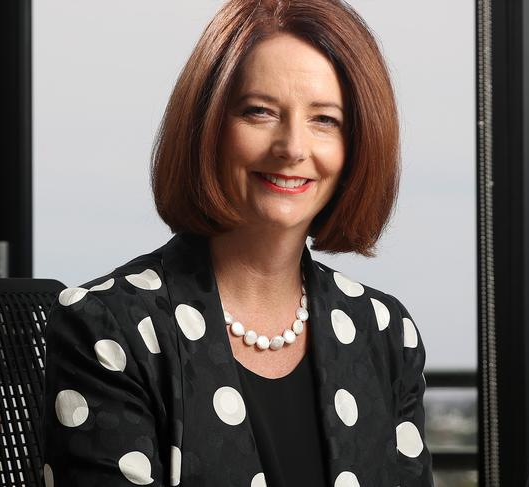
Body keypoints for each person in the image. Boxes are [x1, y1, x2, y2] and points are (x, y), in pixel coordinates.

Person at [41, 0, 433, 486]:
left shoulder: (385, 333)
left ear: (357, 145)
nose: (292, 147)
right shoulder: (106, 328)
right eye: (260, 112)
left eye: (324, 120)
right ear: (209, 128)